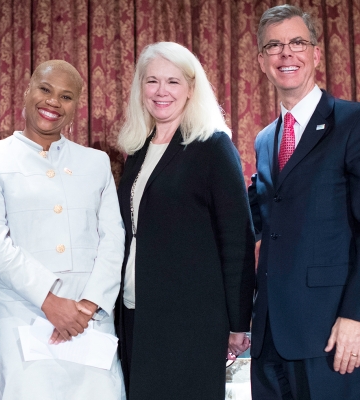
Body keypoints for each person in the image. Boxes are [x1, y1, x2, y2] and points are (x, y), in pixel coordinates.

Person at [0, 60, 126, 399]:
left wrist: (87, 306)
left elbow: (113, 239)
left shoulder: (95, 163)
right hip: (23, 318)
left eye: (66, 96)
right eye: (45, 89)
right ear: (27, 92)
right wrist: (48, 301)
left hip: (91, 324)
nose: (53, 102)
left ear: (75, 108)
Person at [116, 41, 255, 400]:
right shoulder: (137, 149)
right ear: (140, 88)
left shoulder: (213, 146)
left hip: (191, 322)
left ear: (192, 88)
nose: (161, 91)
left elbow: (237, 239)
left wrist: (239, 323)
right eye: (152, 81)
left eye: (173, 81)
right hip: (135, 313)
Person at [249, 5, 360, 399]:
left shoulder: (352, 123)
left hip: (330, 335)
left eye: (297, 43)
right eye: (274, 46)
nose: (286, 54)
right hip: (268, 340)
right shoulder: (264, 141)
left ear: (315, 53)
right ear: (262, 61)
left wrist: (355, 316)